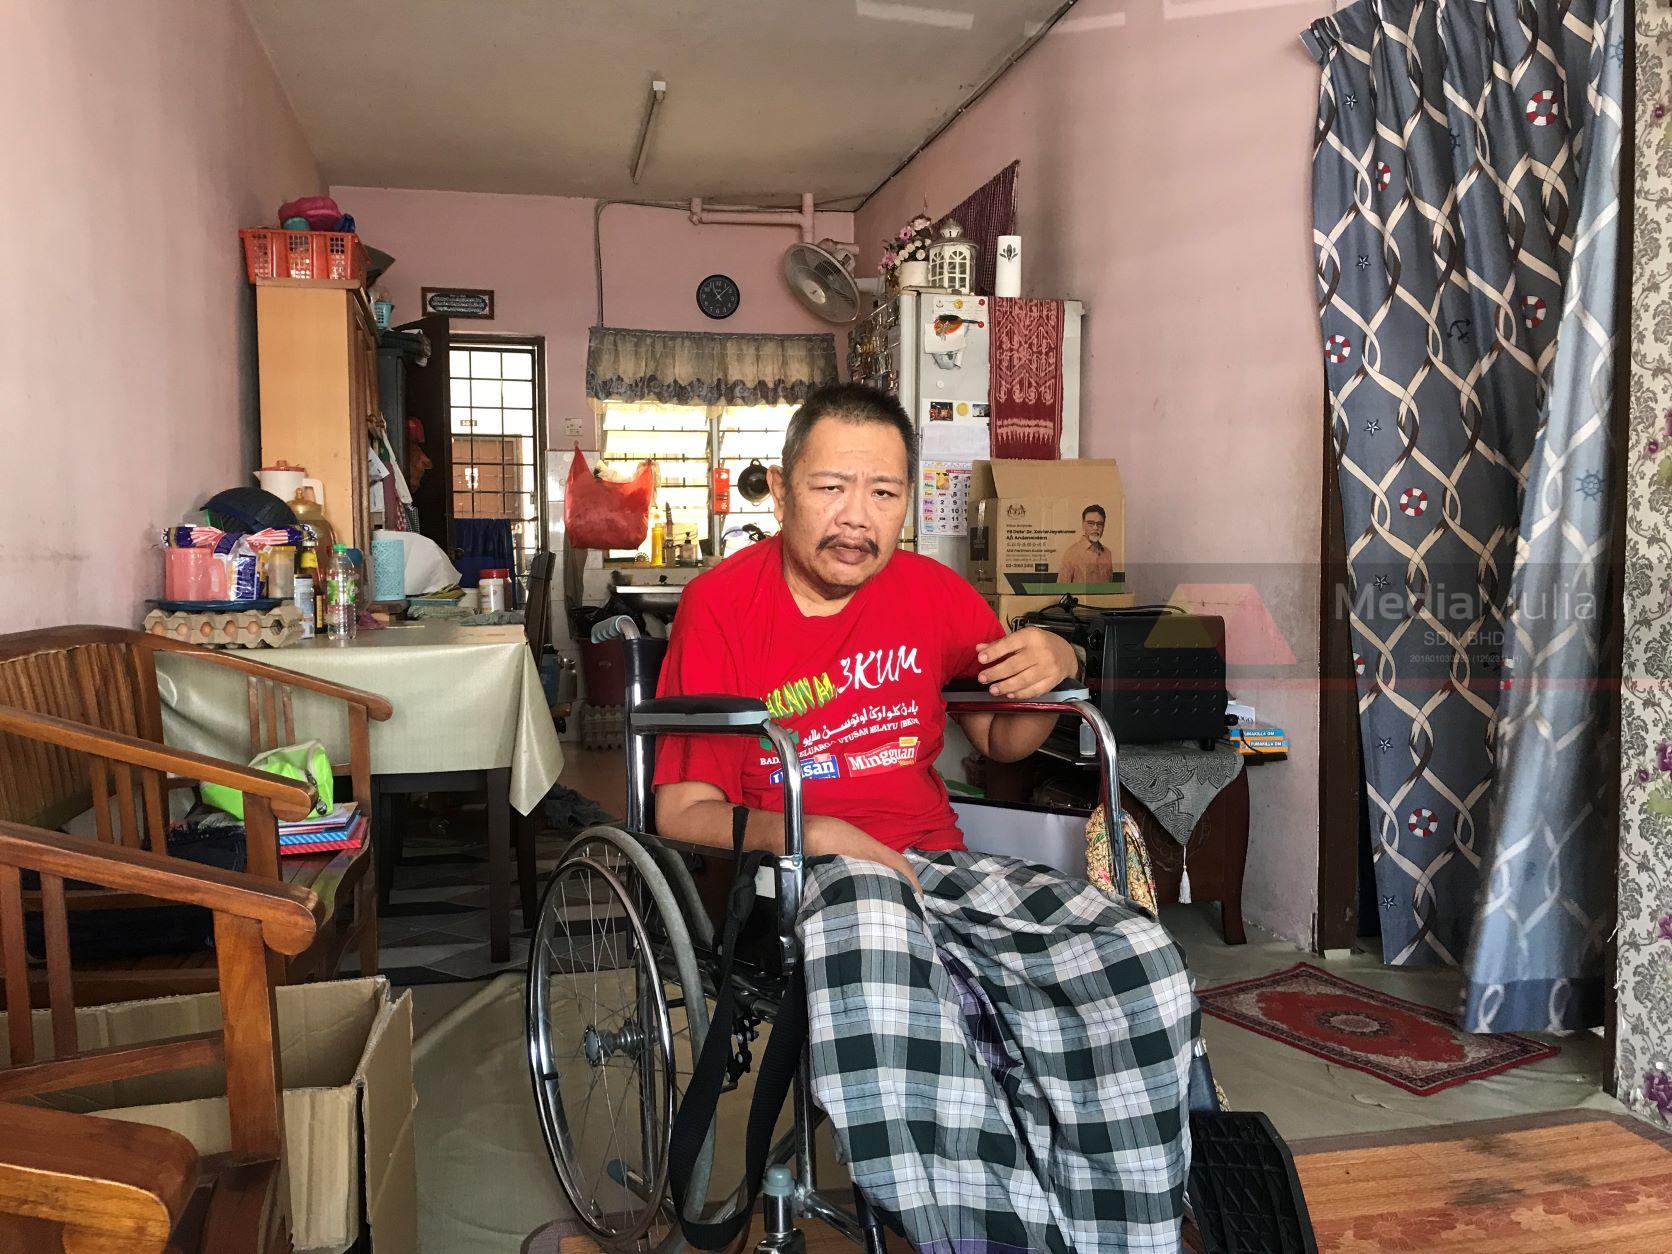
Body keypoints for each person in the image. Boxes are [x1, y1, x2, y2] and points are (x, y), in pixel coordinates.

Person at [654, 384, 1195, 1253]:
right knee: (875, 921)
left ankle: (1119, 1236)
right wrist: (820, 833)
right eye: (831, 487)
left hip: (934, 866)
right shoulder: (722, 605)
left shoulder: (932, 593)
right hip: (796, 879)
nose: (856, 517)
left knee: (1134, 956)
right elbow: (681, 810)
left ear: (908, 499)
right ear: (783, 489)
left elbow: (1003, 740)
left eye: (883, 492)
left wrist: (1054, 662)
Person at [1057, 503, 1116, 584]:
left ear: (1103, 527)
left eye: (1099, 524)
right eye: (1091, 523)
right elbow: (1061, 589)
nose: (1095, 528)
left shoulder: (1107, 553)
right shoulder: (1071, 554)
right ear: (1083, 525)